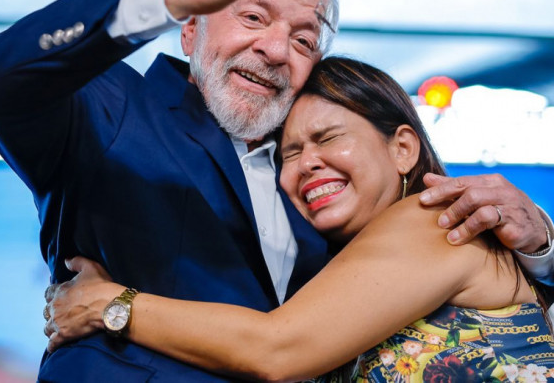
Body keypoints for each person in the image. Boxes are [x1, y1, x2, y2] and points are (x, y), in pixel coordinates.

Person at [0, 0, 553, 381]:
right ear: (189, 30)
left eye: (303, 39)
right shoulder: (115, 112)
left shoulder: (344, 208)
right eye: (252, 16)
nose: (274, 48)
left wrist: (542, 251)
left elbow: (290, 341)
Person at [45, 57, 554, 382]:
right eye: (287, 154)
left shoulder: (433, 220)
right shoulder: (333, 275)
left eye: (328, 138)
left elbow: (276, 348)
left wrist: (109, 304)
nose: (306, 162)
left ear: (403, 148)